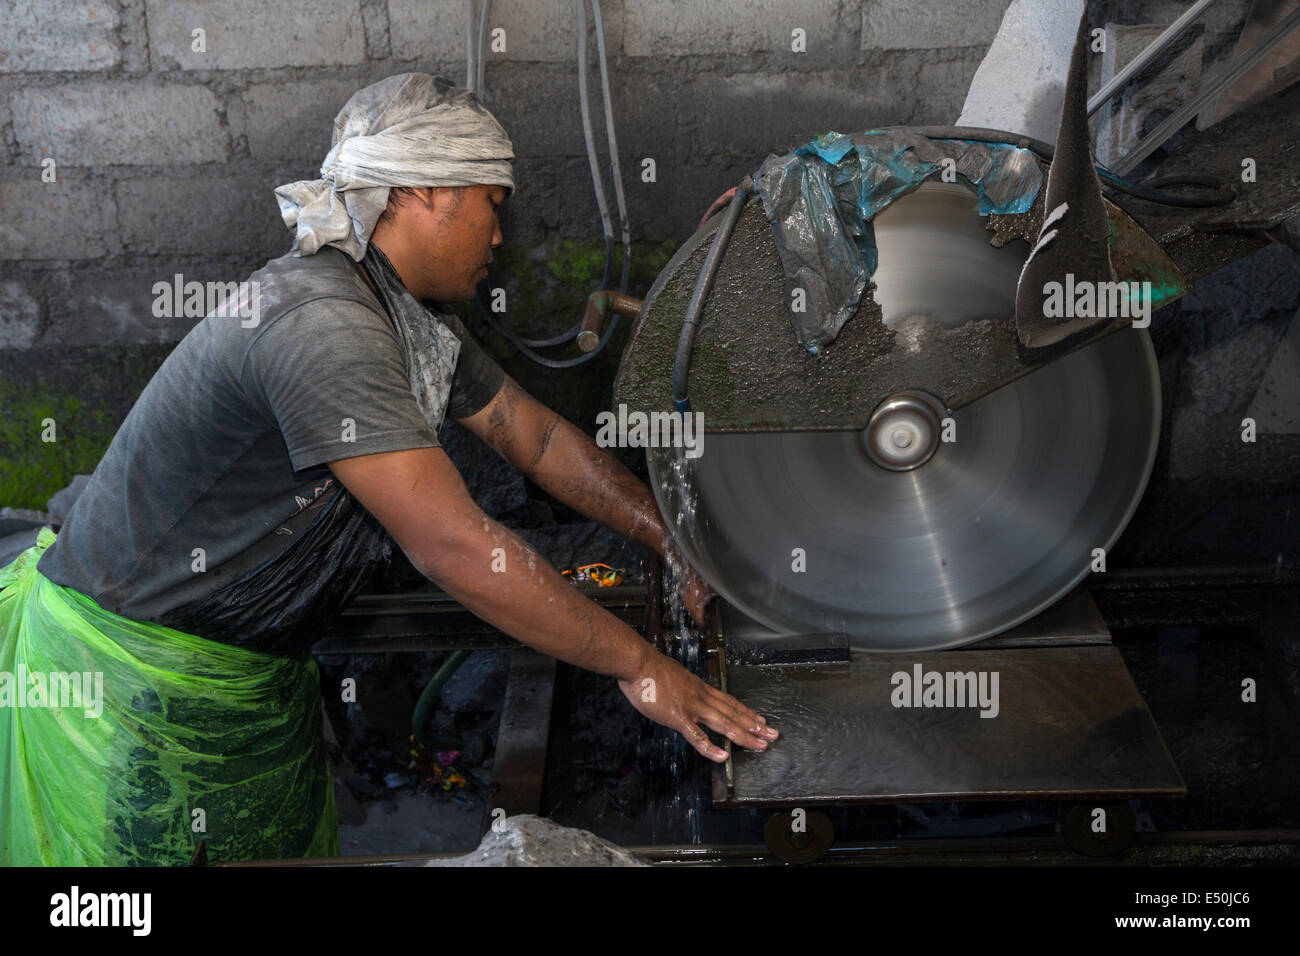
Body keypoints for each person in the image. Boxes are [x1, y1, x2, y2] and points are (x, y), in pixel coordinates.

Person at [0, 73, 775, 865]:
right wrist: (641, 666)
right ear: (418, 193)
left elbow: (533, 438)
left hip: (247, 678)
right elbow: (454, 547)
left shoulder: (403, 317)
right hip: (132, 686)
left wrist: (667, 534)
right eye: (490, 204)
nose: (499, 235)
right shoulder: (323, 324)